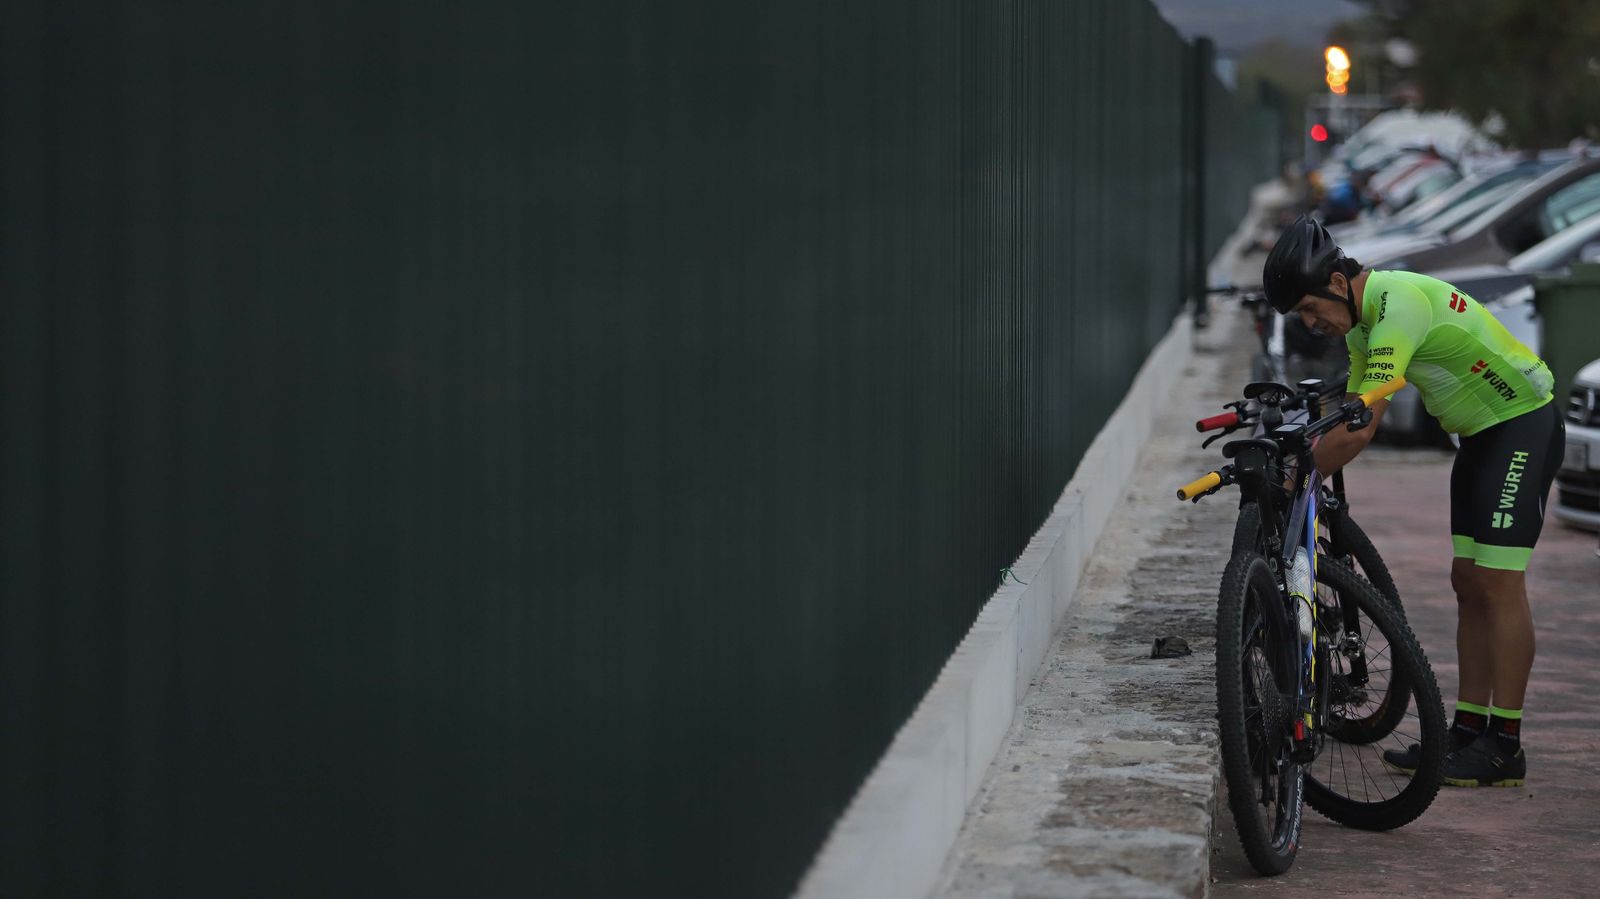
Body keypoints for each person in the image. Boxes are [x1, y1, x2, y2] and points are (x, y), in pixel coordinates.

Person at [1261, 215, 1565, 788]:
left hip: (1522, 426)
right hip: (1479, 437)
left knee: (1499, 584)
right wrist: (1300, 455)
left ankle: (1505, 745)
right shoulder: (1362, 328)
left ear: (1335, 282)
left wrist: (1291, 481)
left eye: (1307, 308)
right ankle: (1469, 730)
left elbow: (1362, 428)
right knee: (1468, 583)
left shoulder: (1397, 303)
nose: (1310, 324)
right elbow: (1347, 414)